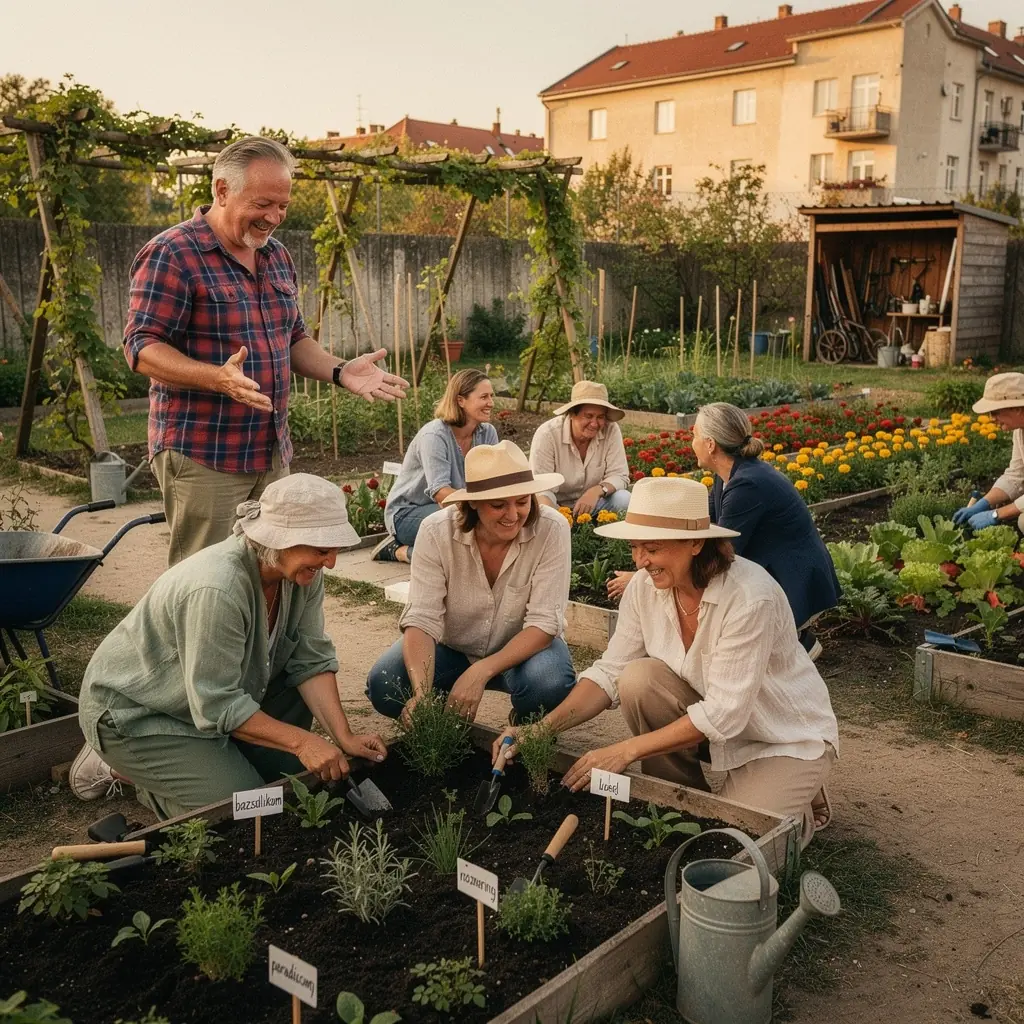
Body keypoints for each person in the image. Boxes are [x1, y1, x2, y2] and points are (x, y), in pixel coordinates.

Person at [493, 476, 839, 849]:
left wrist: (625, 750)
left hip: (781, 735)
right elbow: (610, 672)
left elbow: (724, 714)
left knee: (736, 842)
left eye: (652, 548)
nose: (641, 562)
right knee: (638, 679)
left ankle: (798, 797)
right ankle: (679, 804)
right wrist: (541, 729)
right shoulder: (645, 588)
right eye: (636, 547)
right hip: (720, 723)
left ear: (695, 543)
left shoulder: (750, 599)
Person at [124, 135, 407, 566]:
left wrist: (340, 371)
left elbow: (292, 337)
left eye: (283, 206)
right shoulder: (174, 253)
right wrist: (216, 378)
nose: (274, 217)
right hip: (205, 453)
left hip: (270, 450)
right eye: (263, 204)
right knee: (208, 579)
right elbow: (141, 346)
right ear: (222, 190)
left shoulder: (276, 256)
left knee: (272, 573)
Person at [68, 474, 387, 819]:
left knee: (285, 785)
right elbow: (217, 702)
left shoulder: (301, 574)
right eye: (323, 550)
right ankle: (130, 772)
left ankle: (213, 761)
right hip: (141, 711)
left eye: (335, 549)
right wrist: (302, 742)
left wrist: (344, 736)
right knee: (249, 809)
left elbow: (310, 658)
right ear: (280, 540)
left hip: (207, 700)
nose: (331, 562)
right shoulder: (218, 589)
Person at [608, 402, 840, 661]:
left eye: (694, 436)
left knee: (708, 579)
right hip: (788, 570)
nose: (691, 442)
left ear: (710, 444)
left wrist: (644, 576)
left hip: (796, 582)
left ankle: (793, 643)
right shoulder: (731, 473)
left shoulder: (747, 485)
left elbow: (722, 552)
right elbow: (702, 520)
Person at [367, 440, 576, 723]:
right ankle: (440, 717)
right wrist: (421, 693)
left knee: (549, 684)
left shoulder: (552, 529)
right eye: (499, 505)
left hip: (524, 653)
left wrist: (481, 671)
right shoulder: (435, 531)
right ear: (473, 503)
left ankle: (525, 725)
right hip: (453, 648)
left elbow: (544, 624)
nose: (513, 515)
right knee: (385, 684)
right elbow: (422, 618)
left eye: (523, 501)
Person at [373, 369, 497, 562]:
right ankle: (398, 550)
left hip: (457, 508)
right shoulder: (435, 435)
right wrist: (480, 508)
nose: (491, 403)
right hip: (408, 513)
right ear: (460, 400)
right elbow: (440, 492)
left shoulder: (487, 433)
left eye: (491, 396)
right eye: (484, 397)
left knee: (486, 531)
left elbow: (492, 481)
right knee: (466, 536)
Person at [529, 380, 631, 517]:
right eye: (588, 416)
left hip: (595, 503)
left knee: (624, 499)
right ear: (571, 414)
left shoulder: (611, 430)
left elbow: (619, 475)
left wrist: (596, 491)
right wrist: (558, 518)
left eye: (600, 417)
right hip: (556, 505)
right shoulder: (547, 434)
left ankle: (600, 534)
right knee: (542, 505)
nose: (595, 424)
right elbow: (540, 487)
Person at [953, 372, 1024, 532]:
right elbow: (1015, 476)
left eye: (995, 412)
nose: (991, 418)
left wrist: (995, 515)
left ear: (1018, 408)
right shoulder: (1020, 431)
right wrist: (983, 504)